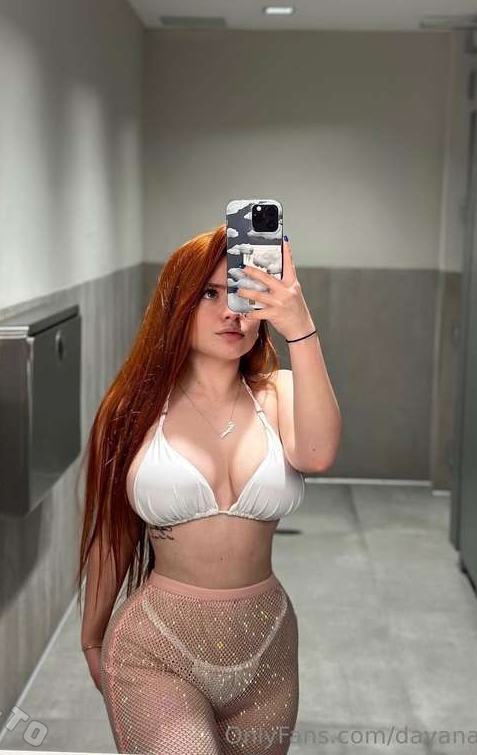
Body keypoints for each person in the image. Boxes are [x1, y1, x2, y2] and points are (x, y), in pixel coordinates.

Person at [75, 225, 341, 754]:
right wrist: (92, 635)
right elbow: (113, 533)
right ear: (177, 305)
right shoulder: (133, 410)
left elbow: (316, 455)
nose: (231, 313)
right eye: (210, 294)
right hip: (155, 649)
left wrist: (300, 328)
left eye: (244, 293)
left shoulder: (280, 394)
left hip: (267, 647)